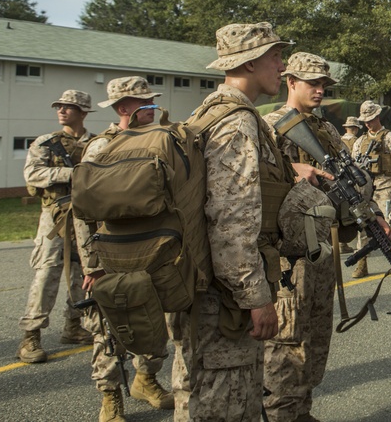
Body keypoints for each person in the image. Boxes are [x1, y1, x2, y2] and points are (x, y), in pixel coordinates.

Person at [175, 22, 298, 421]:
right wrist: (256, 298)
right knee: (227, 408)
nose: (282, 65)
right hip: (223, 299)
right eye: (275, 56)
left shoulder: (207, 113)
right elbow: (231, 220)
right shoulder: (237, 122)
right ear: (248, 62)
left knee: (196, 399)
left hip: (203, 285)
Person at [261, 52, 374, 422]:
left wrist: (373, 217)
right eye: (313, 83)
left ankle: (301, 411)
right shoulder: (267, 126)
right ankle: (280, 414)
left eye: (324, 84)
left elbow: (348, 180)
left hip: (322, 248)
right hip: (287, 256)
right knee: (287, 342)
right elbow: (249, 180)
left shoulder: (326, 130)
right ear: (290, 82)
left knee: (315, 337)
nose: (320, 90)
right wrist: (292, 169)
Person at [72, 77, 173, 421]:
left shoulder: (160, 140)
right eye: (143, 104)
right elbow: (82, 212)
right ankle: (110, 396)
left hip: (154, 250)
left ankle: (146, 379)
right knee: (109, 327)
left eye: (152, 102)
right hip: (111, 251)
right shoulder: (101, 148)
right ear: (123, 108)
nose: (152, 108)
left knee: (155, 317)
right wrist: (90, 265)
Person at [17, 90, 94, 364]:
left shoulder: (97, 144)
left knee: (83, 273)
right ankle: (30, 336)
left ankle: (74, 326)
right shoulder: (46, 143)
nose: (62, 110)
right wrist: (72, 173)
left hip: (86, 217)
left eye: (69, 107)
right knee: (47, 274)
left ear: (83, 113)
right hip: (55, 218)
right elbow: (33, 174)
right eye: (60, 106)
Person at [351, 101, 391, 278]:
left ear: (377, 116)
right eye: (365, 120)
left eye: (370, 119)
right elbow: (353, 165)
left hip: (386, 185)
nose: (367, 123)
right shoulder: (359, 142)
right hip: (365, 188)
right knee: (362, 225)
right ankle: (362, 262)